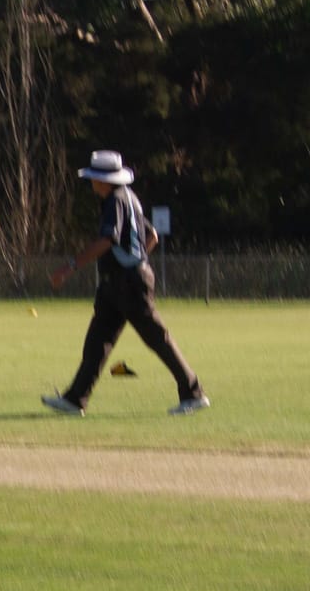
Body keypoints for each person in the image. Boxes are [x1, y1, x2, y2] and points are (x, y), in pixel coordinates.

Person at [43, 150, 210, 416]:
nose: (92, 184)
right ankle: (75, 400)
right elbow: (152, 235)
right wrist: (138, 257)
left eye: (94, 179)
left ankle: (193, 393)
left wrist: (70, 267)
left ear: (105, 180)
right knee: (97, 342)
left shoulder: (115, 201)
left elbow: (107, 239)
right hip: (117, 284)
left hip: (128, 283)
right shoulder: (127, 198)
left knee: (158, 338)